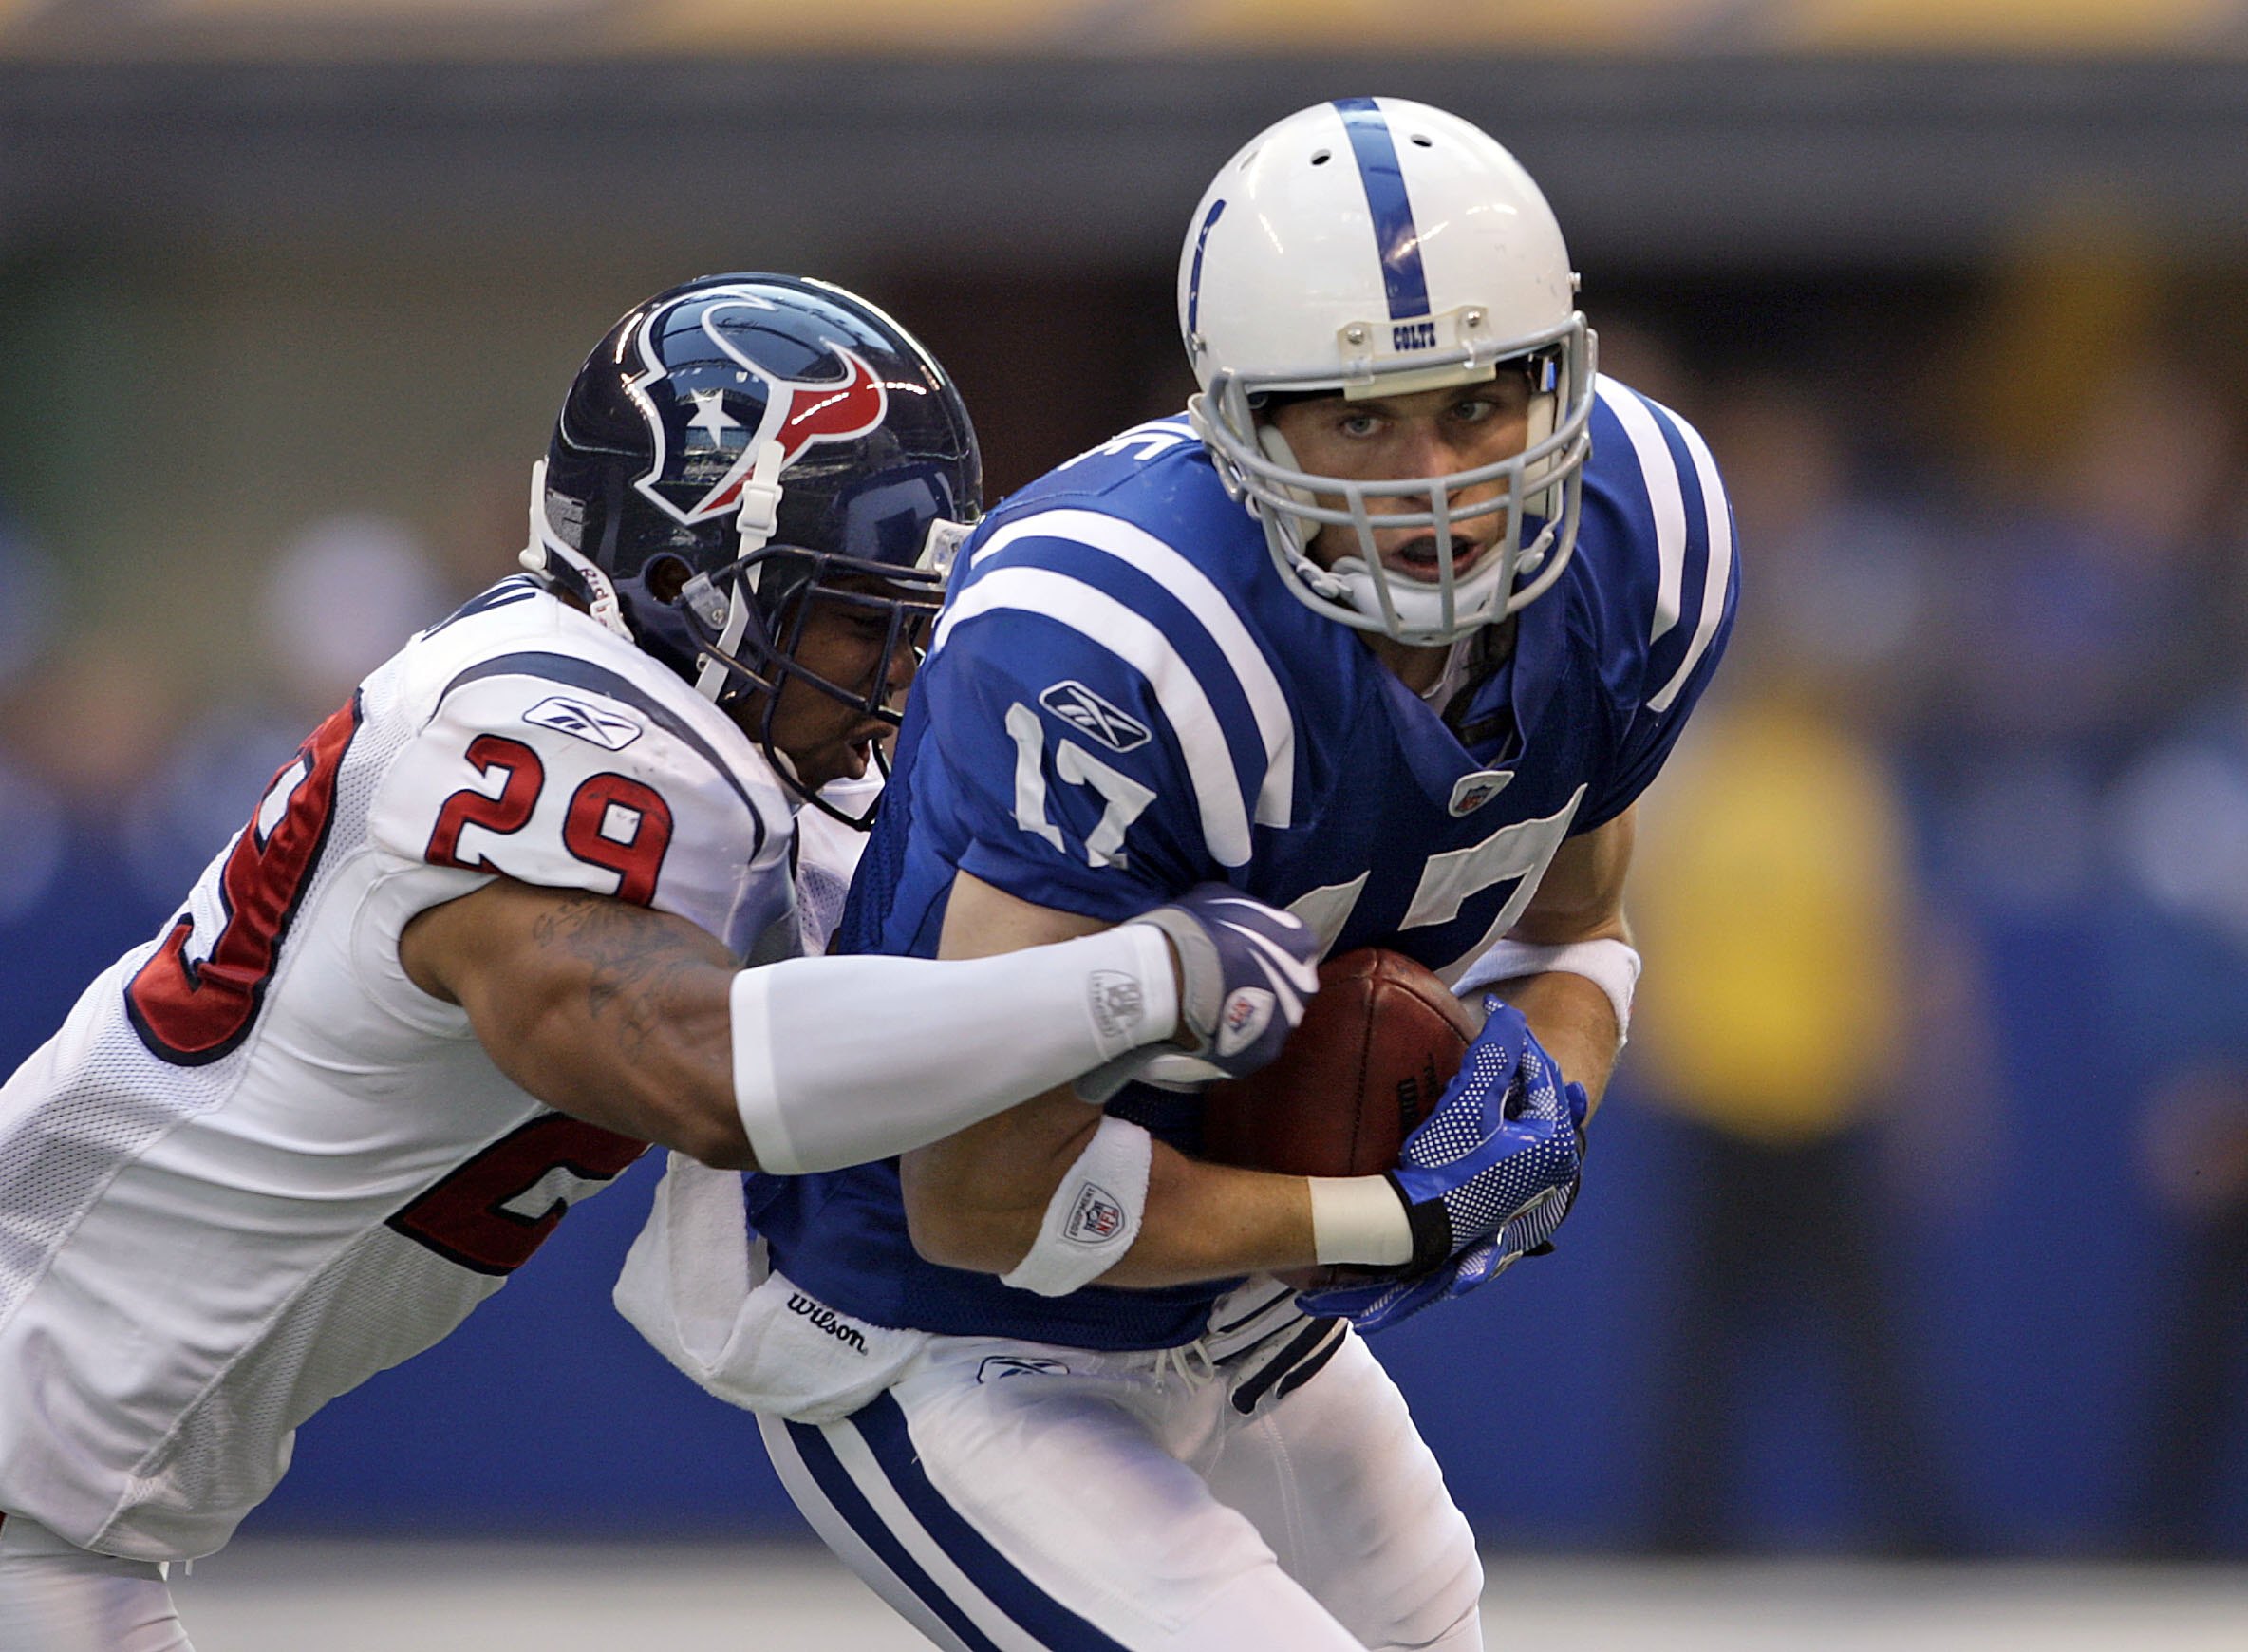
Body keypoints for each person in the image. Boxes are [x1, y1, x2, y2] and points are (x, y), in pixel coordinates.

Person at [0, 273, 1318, 1652]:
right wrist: (1143, 982)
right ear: (688, 582)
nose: (902, 673)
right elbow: (713, 1075)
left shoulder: (746, 763)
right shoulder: (538, 722)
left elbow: (941, 1005)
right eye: (865, 621)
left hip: (79, 1522)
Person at [621, 101, 1738, 1649]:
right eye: (1358, 420)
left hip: (1248, 1309)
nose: (1435, 482)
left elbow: (1581, 922)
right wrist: (1390, 1216)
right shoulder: (1120, 641)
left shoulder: (1641, 536)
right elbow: (981, 1201)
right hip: (948, 1327)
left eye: (1479, 404)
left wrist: (1543, 1104)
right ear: (1240, 424)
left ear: (1561, 376)